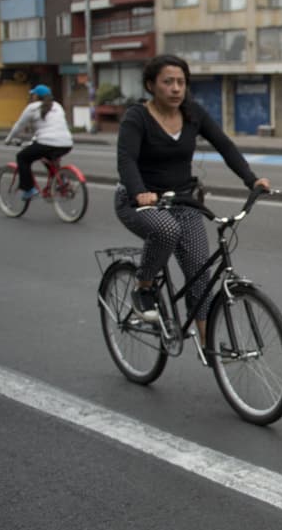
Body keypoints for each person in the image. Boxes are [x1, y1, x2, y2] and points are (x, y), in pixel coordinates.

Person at [115, 54, 270, 338]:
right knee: (166, 229)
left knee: (200, 274)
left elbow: (224, 145)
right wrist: (139, 193)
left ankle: (207, 344)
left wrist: (252, 180)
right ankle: (144, 286)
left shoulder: (193, 113)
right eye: (168, 82)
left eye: (181, 82)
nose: (176, 88)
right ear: (151, 85)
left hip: (182, 201)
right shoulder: (137, 117)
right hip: (137, 202)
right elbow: (126, 160)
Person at [5, 84, 75, 201]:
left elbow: (19, 126)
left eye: (33, 95)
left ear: (36, 96)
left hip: (46, 143)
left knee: (22, 157)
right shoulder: (57, 106)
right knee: (47, 157)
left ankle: (29, 189)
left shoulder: (32, 107)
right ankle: (60, 180)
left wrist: (8, 140)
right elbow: (51, 127)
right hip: (67, 143)